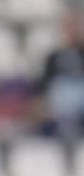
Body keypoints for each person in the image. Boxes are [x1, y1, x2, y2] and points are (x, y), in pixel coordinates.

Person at [39, 11, 84, 141]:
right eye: (68, 27)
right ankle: (66, 127)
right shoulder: (53, 56)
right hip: (61, 94)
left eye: (75, 27)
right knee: (61, 88)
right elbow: (46, 81)